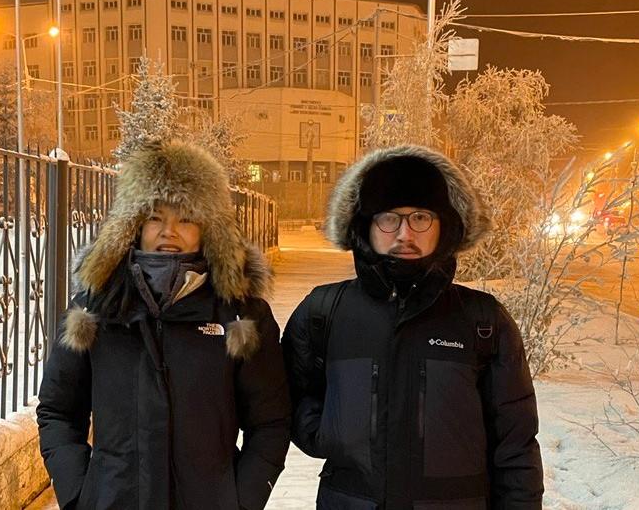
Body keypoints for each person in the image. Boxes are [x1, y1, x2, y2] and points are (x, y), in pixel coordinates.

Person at [282, 145, 543, 509]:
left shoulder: (483, 320)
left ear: (444, 225)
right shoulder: (324, 311)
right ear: (365, 226)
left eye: (421, 217)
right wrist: (327, 432)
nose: (404, 233)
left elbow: (516, 447)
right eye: (389, 218)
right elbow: (286, 398)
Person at [37, 140, 290, 509]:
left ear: (208, 229)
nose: (169, 231)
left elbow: (270, 422)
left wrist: (241, 500)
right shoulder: (93, 312)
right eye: (155, 217)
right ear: (134, 226)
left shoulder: (241, 319)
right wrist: (80, 495)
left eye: (185, 218)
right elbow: (58, 411)